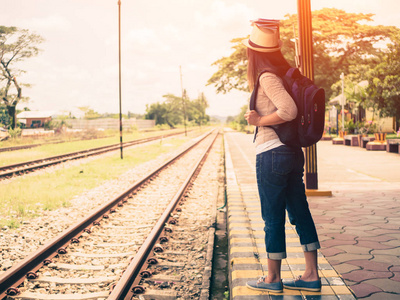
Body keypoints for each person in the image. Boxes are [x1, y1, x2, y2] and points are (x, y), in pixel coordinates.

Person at [243, 19, 321, 293]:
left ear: (254, 52)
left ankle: (272, 279)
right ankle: (311, 275)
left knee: (272, 216)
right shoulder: (283, 73)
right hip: (290, 153)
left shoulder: (266, 76)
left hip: (272, 153)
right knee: (299, 211)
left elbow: (288, 111)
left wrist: (258, 120)